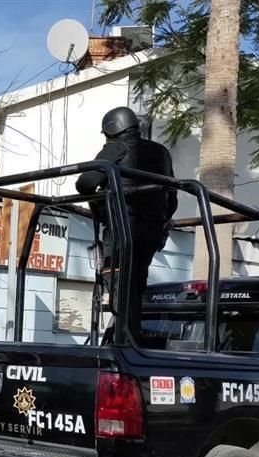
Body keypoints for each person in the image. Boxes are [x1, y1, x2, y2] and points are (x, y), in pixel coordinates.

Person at [76, 106, 178, 341]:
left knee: (120, 286)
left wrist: (101, 200)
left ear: (112, 130)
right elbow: (172, 199)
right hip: (152, 232)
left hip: (122, 230)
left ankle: (124, 341)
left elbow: (85, 183)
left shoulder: (116, 149)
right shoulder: (161, 152)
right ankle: (128, 335)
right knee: (136, 285)